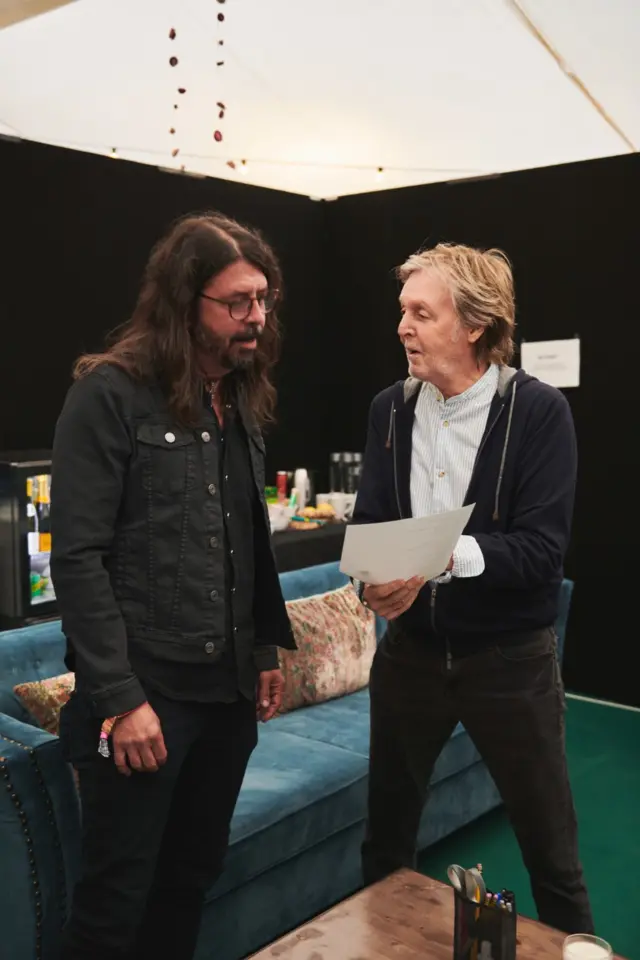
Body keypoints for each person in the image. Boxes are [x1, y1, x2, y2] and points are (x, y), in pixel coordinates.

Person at [50, 212, 296, 960]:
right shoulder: (109, 395)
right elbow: (78, 559)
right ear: (185, 303)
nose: (256, 318)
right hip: (146, 698)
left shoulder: (239, 395)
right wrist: (121, 701)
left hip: (227, 698)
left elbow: (245, 534)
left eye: (263, 299)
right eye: (237, 302)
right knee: (115, 903)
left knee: (189, 880)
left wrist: (263, 647)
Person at [353, 242, 593, 934]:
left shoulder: (539, 412)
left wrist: (435, 557)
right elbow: (371, 525)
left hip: (510, 662)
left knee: (552, 856)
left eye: (421, 313)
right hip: (410, 657)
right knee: (386, 843)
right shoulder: (389, 410)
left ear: (475, 325)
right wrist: (374, 587)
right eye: (403, 311)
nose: (402, 326)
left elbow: (542, 553)